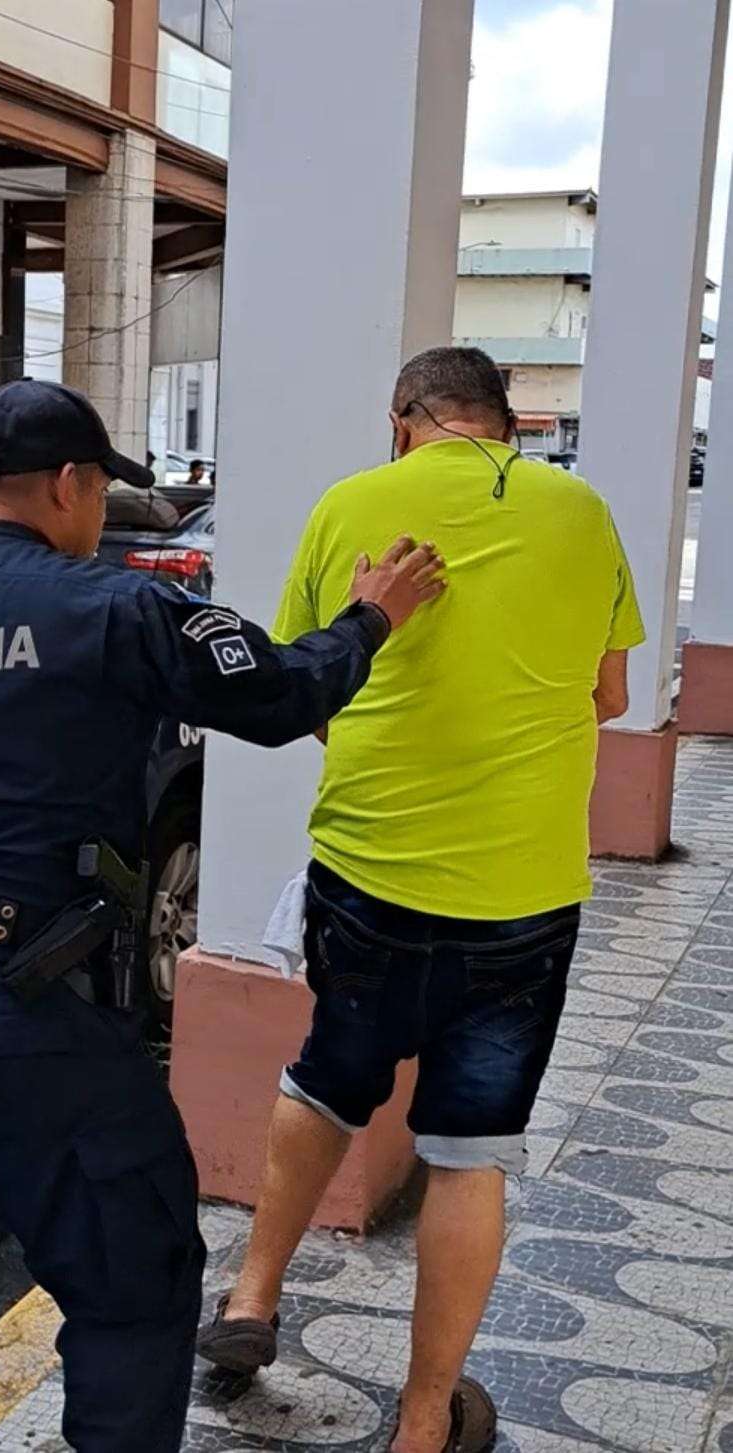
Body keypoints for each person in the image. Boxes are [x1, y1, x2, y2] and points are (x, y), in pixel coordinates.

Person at [0, 378, 446, 1453]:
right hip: (44, 1010)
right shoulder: (119, 608)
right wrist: (371, 619)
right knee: (133, 1281)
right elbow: (277, 696)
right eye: (102, 492)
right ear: (74, 485)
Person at [196, 347, 646, 1453]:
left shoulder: (352, 503)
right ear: (505, 424)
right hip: (522, 893)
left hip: (369, 868)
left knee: (328, 1074)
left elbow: (307, 679)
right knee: (468, 1147)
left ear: (403, 421)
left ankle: (252, 1299)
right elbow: (611, 691)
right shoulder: (582, 513)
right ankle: (424, 1418)